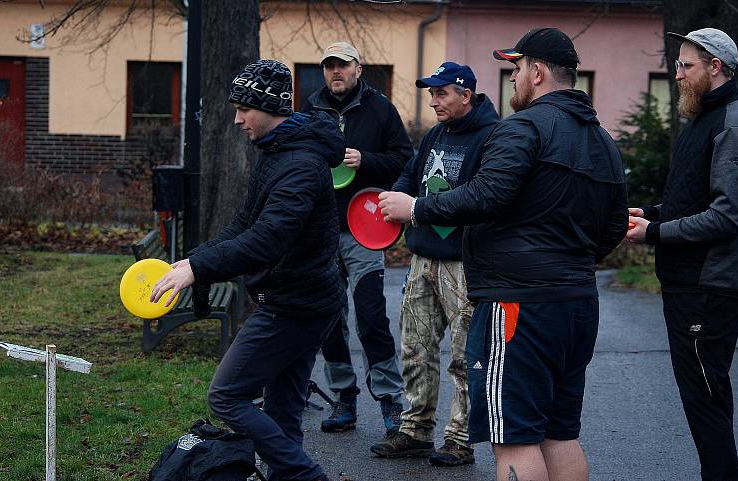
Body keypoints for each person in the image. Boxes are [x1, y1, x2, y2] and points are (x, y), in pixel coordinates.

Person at [379, 28, 628, 481]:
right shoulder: (604, 141)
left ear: (537, 71)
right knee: (560, 434)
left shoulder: (523, 127)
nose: (513, 79)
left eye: (515, 69)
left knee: (514, 438)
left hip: (519, 306)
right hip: (576, 302)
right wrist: (566, 265)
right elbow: (613, 228)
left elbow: (488, 194)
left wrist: (416, 208)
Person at [150, 59, 345, 481]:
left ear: (272, 107)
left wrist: (199, 269)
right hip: (301, 299)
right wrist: (193, 261)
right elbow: (245, 224)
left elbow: (267, 240)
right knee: (282, 410)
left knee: (226, 396)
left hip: (296, 304)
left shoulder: (299, 166)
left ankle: (306, 476)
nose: (237, 119)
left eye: (245, 109)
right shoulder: (277, 151)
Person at [627, 28, 738, 481]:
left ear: (716, 68)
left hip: (710, 287)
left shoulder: (735, 125)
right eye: (677, 64)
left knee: (705, 402)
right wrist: (649, 214)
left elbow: (728, 216)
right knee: (703, 401)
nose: (678, 74)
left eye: (687, 66)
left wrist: (657, 232)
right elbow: (695, 201)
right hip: (689, 283)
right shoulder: (703, 120)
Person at [369, 62, 499, 466]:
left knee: (464, 355)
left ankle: (460, 439)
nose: (433, 101)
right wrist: (394, 200)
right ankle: (415, 431)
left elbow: (482, 197)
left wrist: (419, 208)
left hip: (464, 263)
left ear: (466, 95)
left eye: (442, 93)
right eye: (431, 93)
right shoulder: (435, 135)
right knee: (415, 347)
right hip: (422, 257)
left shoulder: (493, 137)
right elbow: (409, 176)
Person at [302, 41, 413, 437]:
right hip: (322, 233)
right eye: (330, 66)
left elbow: (404, 161)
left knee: (370, 318)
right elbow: (294, 162)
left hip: (365, 231)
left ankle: (390, 403)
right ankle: (344, 400)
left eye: (343, 66)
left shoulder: (380, 110)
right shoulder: (310, 111)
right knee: (330, 319)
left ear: (358, 69)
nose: (336, 72)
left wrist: (365, 160)